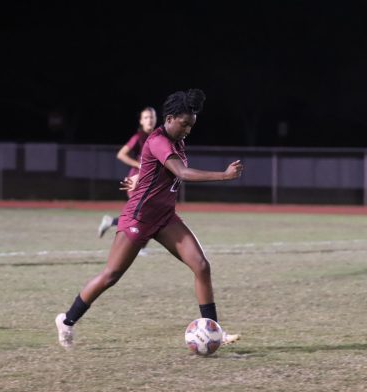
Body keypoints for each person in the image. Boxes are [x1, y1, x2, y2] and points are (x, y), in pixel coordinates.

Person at [56, 88, 244, 348]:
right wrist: (224, 176)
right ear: (169, 118)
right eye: (185, 124)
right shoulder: (157, 140)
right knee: (111, 275)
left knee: (201, 266)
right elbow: (182, 172)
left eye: (191, 125)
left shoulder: (177, 140)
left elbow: (156, 171)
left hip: (165, 218)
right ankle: (66, 320)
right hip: (139, 218)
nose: (188, 130)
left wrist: (138, 179)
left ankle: (214, 331)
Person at [98, 107, 157, 238]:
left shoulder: (157, 137)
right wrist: (139, 165)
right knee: (145, 216)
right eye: (146, 117)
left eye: (152, 117)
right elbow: (121, 154)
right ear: (141, 121)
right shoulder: (138, 137)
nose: (149, 120)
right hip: (135, 182)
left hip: (149, 182)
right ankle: (138, 246)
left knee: (147, 216)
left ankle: (111, 222)